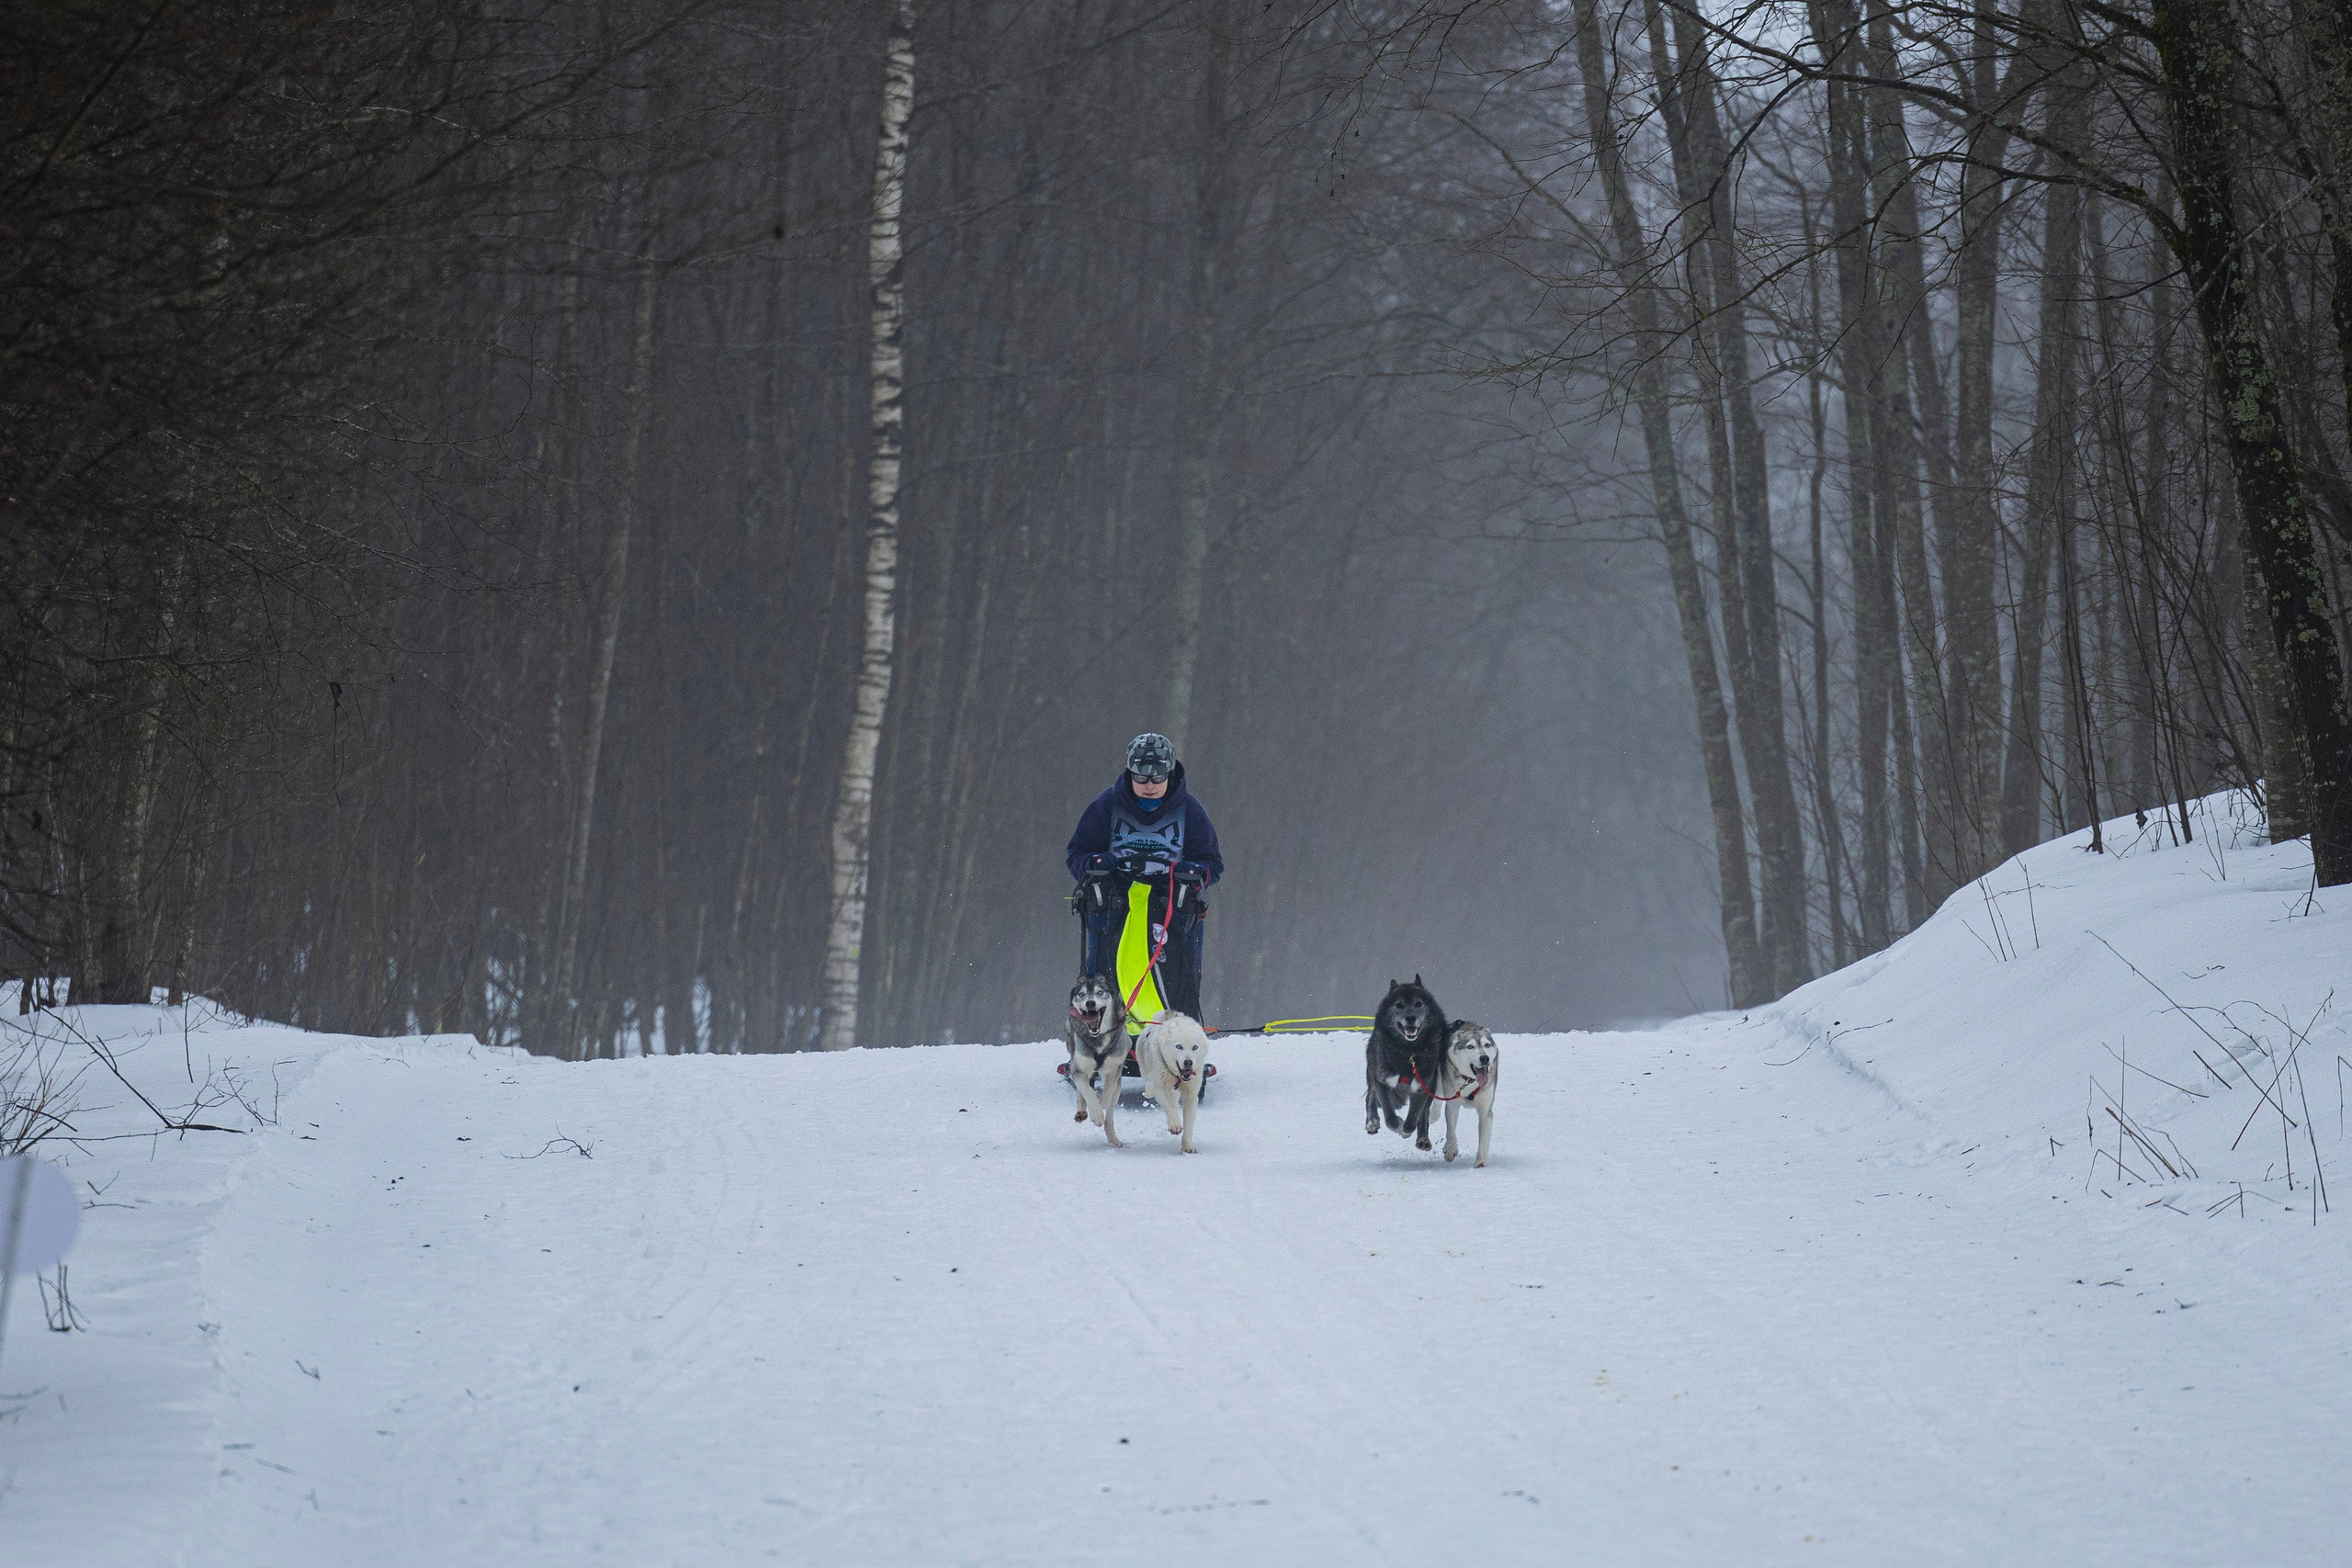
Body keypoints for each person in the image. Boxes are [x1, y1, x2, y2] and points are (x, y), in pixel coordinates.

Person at [1065, 732, 1224, 1021]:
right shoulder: (1107, 806)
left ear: (1169, 774)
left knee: (1177, 973)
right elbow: (1077, 854)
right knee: (1104, 972)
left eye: (1158, 778)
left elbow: (1212, 863)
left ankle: (1180, 1041)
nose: (1149, 786)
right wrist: (1097, 864)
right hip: (1116, 900)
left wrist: (1195, 874)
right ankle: (1098, 1040)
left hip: (1170, 904)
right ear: (1130, 774)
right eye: (1141, 778)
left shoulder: (1190, 811)